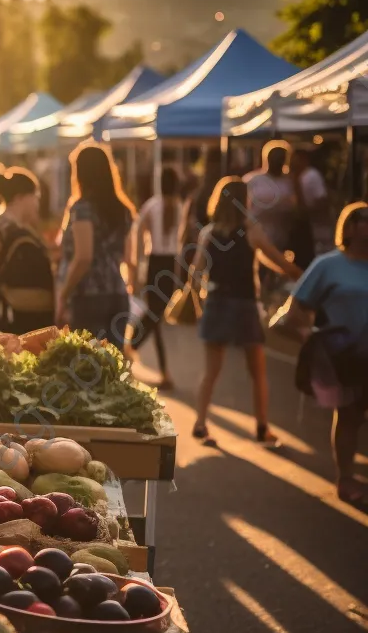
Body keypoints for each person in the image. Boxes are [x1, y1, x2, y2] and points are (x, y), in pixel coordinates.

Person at [188, 177, 302, 447]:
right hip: (244, 305)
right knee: (258, 371)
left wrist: (200, 307)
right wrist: (300, 272)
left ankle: (200, 423)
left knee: (210, 372)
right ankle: (262, 428)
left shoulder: (209, 232)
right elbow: (275, 260)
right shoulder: (251, 230)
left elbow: (194, 276)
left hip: (216, 302)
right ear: (244, 201)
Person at [276, 202, 368, 508]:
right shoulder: (329, 265)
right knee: (350, 416)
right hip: (345, 356)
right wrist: (312, 337)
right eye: (365, 220)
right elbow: (293, 313)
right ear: (351, 228)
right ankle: (346, 477)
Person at [55, 144, 136, 349]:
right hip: (117, 293)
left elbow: (84, 257)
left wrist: (63, 294)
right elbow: (128, 256)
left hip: (88, 297)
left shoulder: (82, 208)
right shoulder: (122, 209)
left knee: (88, 368)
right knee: (113, 367)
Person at [127, 166, 185, 389]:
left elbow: (138, 233)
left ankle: (130, 349)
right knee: (156, 317)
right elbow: (180, 241)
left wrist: (139, 266)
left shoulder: (152, 205)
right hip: (170, 265)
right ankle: (162, 370)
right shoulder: (178, 206)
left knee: (154, 316)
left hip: (155, 264)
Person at [0, 167, 54, 333]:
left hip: (1, 311)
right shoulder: (12, 230)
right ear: (21, 198)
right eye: (35, 197)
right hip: (19, 315)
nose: (37, 203)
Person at [243, 141, 295, 253]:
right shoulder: (252, 180)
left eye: (281, 157)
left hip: (282, 238)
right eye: (274, 157)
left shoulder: (290, 181)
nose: (277, 161)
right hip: (256, 236)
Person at [286, 146, 331, 268]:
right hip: (304, 230)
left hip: (317, 231)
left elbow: (322, 201)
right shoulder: (294, 177)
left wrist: (305, 212)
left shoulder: (312, 175)